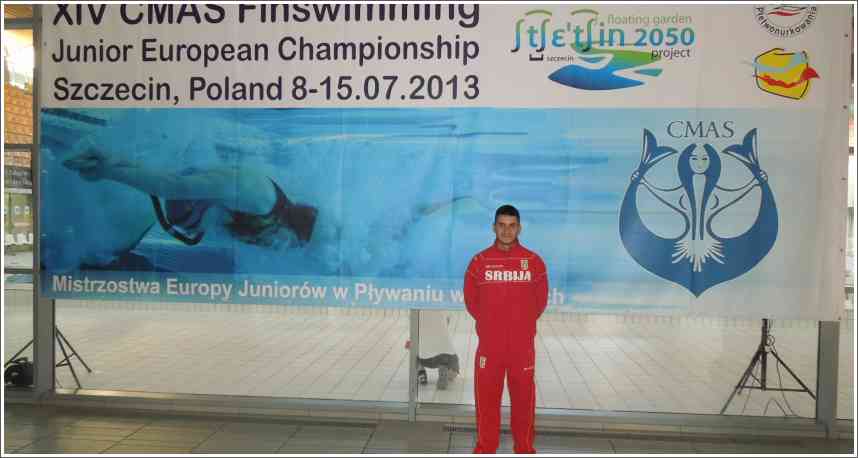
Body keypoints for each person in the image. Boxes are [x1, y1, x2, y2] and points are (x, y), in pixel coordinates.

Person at [62, 146, 318, 248]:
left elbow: (175, 184)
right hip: (178, 203)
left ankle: (111, 160)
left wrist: (119, 164)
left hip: (183, 208)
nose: (283, 248)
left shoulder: (275, 222)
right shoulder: (259, 195)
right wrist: (108, 171)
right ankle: (107, 161)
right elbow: (173, 186)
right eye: (293, 243)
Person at [464, 204, 548, 454]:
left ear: (519, 228)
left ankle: (524, 449)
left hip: (522, 350)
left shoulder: (533, 262)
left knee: (524, 405)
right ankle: (486, 449)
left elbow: (540, 302)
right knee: (487, 405)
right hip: (490, 349)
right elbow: (471, 301)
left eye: (512, 226)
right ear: (494, 227)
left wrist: (519, 326)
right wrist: (492, 326)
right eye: (502, 225)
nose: (507, 230)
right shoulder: (479, 262)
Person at [409, 310, 460, 390]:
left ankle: (421, 370)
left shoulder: (416, 306)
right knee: (454, 371)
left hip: (423, 357)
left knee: (413, 345)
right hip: (445, 355)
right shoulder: (445, 304)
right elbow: (446, 323)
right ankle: (445, 368)